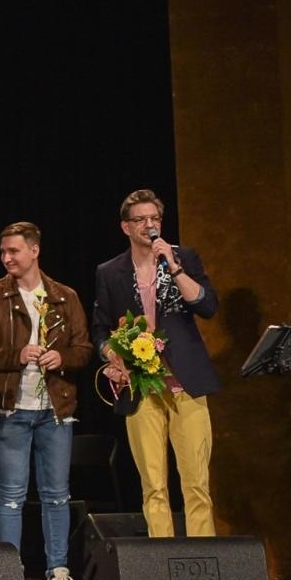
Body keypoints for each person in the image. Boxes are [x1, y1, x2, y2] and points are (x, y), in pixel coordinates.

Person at [0, 221, 92, 580]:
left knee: (56, 495)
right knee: (9, 496)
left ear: (34, 251)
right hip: (11, 408)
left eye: (14, 251)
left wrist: (62, 357)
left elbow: (85, 349)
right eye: (3, 252)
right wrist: (15, 356)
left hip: (54, 409)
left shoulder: (64, 296)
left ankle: (58, 574)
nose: (7, 258)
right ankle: (10, 575)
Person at [92, 189, 219, 538]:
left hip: (186, 383)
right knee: (154, 484)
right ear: (125, 227)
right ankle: (162, 564)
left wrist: (174, 267)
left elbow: (207, 307)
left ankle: (204, 560)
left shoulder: (183, 258)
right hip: (141, 385)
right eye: (141, 220)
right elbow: (99, 331)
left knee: (196, 482)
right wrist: (112, 356)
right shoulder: (109, 271)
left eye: (155, 219)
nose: (150, 225)